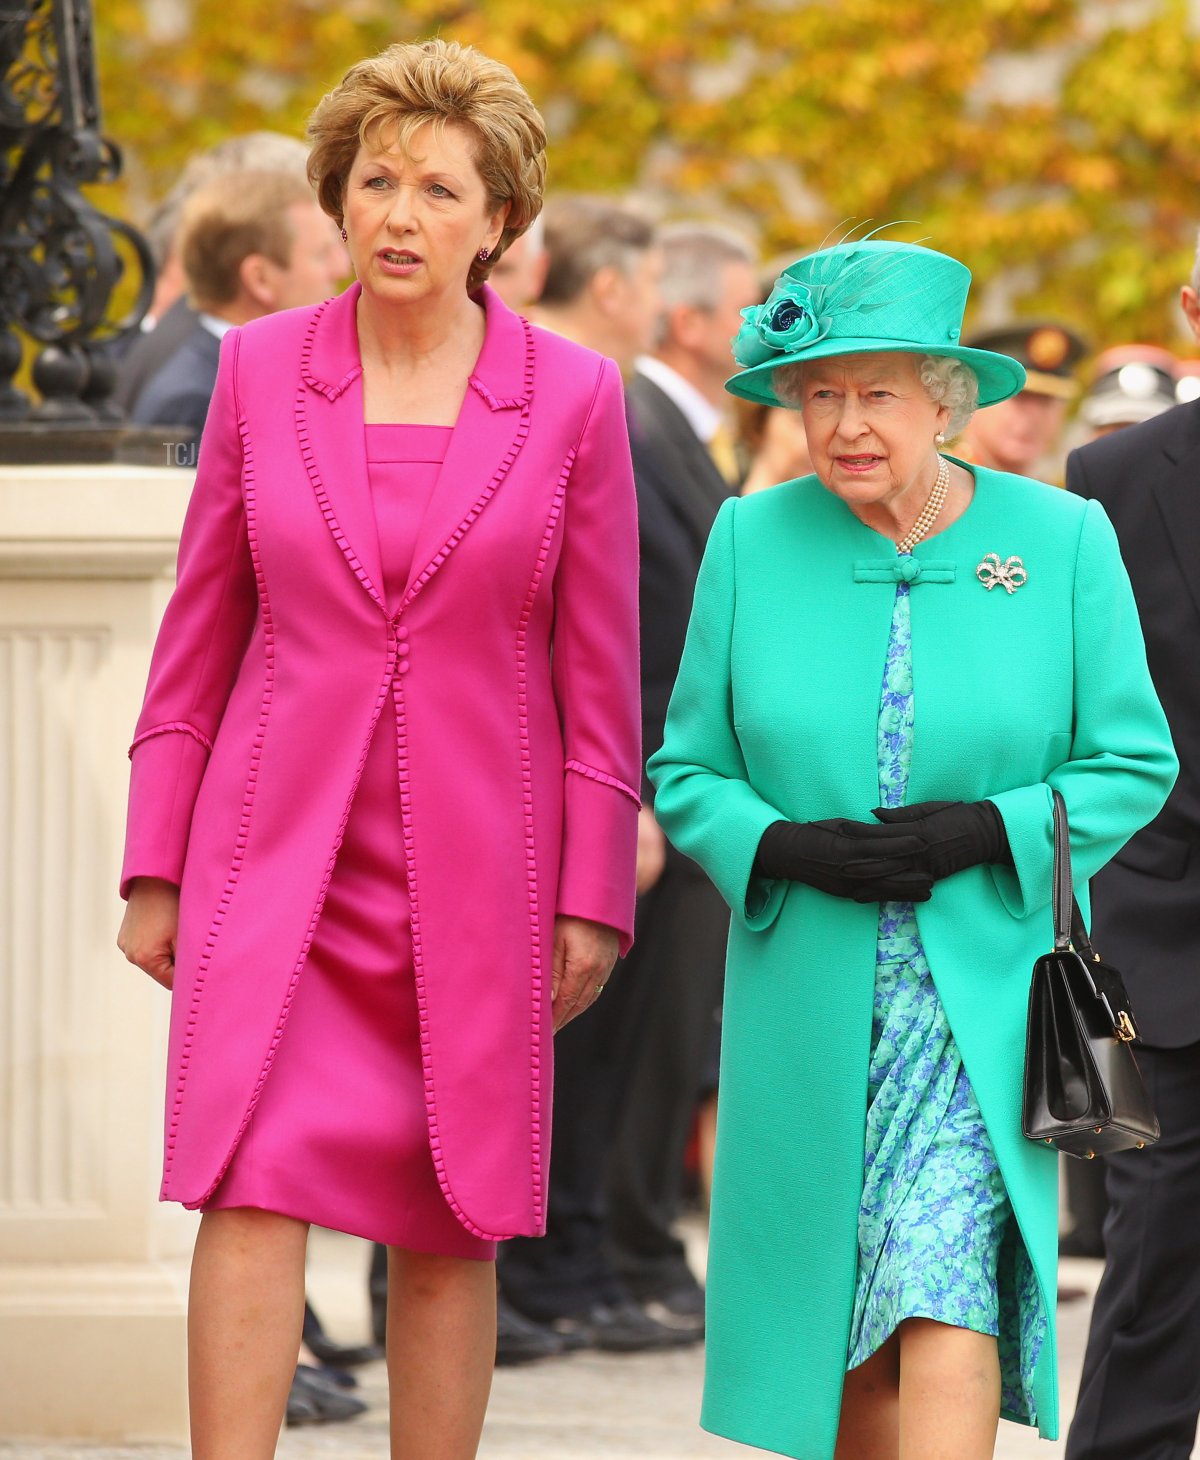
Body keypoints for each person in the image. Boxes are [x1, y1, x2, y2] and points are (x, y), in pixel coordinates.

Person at [116, 37, 641, 1459]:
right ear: (337, 200)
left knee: (453, 1210)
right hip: (271, 853)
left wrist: (593, 892)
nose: (401, 213)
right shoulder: (260, 375)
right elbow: (199, 635)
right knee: (246, 1182)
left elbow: (602, 678)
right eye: (376, 182)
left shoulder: (578, 398)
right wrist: (153, 863)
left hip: (477, 866)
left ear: (500, 225)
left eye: (440, 189)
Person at [647, 237, 1176, 1460]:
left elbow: (1131, 760)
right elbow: (685, 768)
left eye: (877, 391)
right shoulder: (749, 540)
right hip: (812, 992)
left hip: (982, 992)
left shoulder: (1060, 540)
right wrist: (778, 844)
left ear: (946, 397)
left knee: (942, 1282)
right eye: (819, 392)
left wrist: (992, 824)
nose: (845, 424)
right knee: (844, 1326)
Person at [499, 195, 700, 1354]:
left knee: (617, 1050)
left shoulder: (615, 397)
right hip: (588, 774)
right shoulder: (586, 395)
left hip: (642, 769)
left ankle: (577, 1257)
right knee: (568, 1047)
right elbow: (593, 611)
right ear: (617, 285)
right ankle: (552, 1261)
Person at [603, 223, 759, 1335]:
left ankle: (628, 1245)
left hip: (691, 787)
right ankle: (603, 1249)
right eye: (748, 309)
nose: (763, 331)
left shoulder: (686, 431)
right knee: (632, 1035)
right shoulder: (632, 417)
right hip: (659, 777)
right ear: (692, 323)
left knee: (670, 1037)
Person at [1064, 239, 1200, 1460]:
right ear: (1194, 309)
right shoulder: (1107, 475)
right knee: (1156, 1256)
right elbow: (1087, 704)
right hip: (1167, 936)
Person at [131, 169, 349, 444]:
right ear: (260, 279)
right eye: (321, 255)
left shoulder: (230, 374)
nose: (340, 269)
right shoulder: (194, 402)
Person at [954, 322, 1087, 480]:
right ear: (973, 396)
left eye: (1046, 401)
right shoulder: (938, 485)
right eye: (1018, 397)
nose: (1033, 415)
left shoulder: (1057, 496)